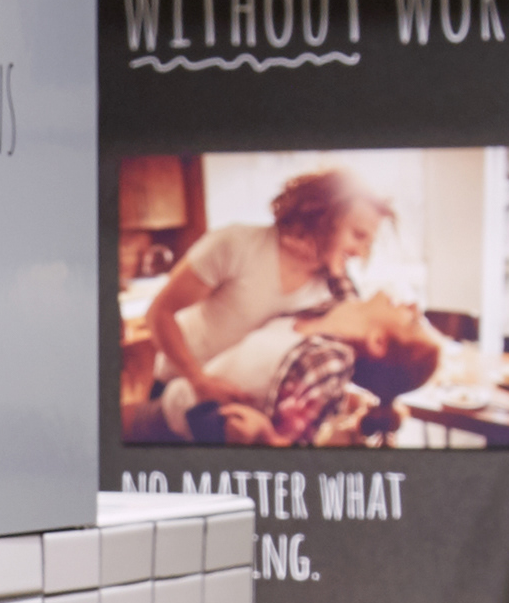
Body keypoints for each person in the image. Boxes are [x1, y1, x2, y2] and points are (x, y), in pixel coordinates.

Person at [145, 168, 391, 431]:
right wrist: (199, 381)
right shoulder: (236, 244)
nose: (361, 253)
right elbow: (159, 313)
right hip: (177, 387)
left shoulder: (333, 289)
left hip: (240, 413)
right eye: (358, 235)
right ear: (321, 216)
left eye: (368, 244)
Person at [152, 289, 443, 445]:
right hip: (174, 395)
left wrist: (265, 436)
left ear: (378, 342)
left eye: (414, 322)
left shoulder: (329, 362)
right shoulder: (331, 313)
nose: (415, 307)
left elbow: (291, 453)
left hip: (177, 426)